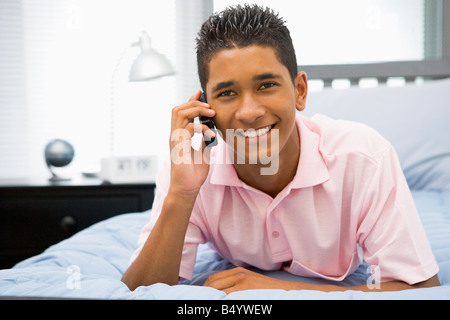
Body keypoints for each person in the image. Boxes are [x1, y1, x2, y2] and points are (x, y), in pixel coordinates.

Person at [121, 4, 440, 293]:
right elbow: (138, 290)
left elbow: (422, 288)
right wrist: (182, 193)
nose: (249, 112)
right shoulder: (187, 167)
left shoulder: (365, 157)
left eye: (266, 85)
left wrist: (282, 291)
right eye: (228, 93)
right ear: (206, 106)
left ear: (299, 91)